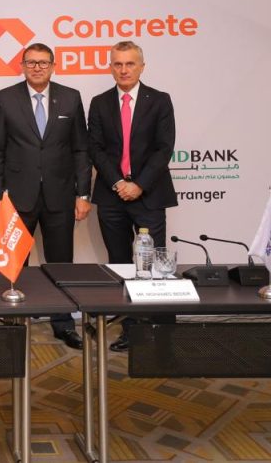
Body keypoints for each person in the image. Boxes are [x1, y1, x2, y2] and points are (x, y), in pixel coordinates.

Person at [0, 43, 91, 350]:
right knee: (14, 264)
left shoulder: (71, 97)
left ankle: (63, 323)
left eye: (43, 62)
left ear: (53, 66)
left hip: (60, 195)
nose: (37, 68)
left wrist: (83, 193)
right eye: (31, 62)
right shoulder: (5, 98)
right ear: (22, 66)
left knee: (61, 263)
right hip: (18, 196)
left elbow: (80, 149)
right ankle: (15, 322)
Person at [88, 40, 177, 351]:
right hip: (111, 196)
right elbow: (95, 148)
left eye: (129, 64)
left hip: (149, 194)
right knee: (121, 264)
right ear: (111, 67)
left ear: (141, 66)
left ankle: (160, 331)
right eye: (118, 64)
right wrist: (118, 183)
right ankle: (131, 328)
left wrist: (138, 184)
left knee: (154, 265)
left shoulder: (160, 100)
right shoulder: (99, 103)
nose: (123, 70)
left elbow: (164, 148)